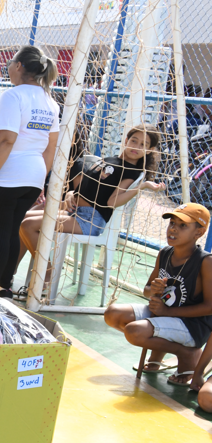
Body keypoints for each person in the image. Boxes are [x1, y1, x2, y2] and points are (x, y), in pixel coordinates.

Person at [19, 125, 165, 283]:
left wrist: (140, 187)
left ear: (149, 150)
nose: (136, 146)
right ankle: (8, 272)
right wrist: (69, 194)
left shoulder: (132, 172)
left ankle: (47, 275)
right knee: (21, 218)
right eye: (134, 140)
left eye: (143, 144)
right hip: (73, 209)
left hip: (89, 219)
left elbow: (112, 201)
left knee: (28, 225)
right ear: (126, 140)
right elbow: (83, 186)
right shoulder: (108, 160)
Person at [0, 45, 60, 301]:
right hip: (32, 175)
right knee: (10, 231)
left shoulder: (13, 96)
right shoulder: (50, 102)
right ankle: (4, 286)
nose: (9, 68)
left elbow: (6, 140)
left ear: (19, 66)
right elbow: (51, 147)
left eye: (10, 64)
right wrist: (40, 182)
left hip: (7, 174)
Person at [105, 204, 212, 388]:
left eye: (182, 225)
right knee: (112, 313)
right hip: (163, 314)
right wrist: (153, 290)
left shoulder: (205, 261)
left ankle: (186, 353)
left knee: (134, 331)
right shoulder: (165, 253)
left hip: (191, 326)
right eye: (172, 223)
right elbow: (147, 289)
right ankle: (165, 349)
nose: (173, 228)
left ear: (199, 233)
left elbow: (210, 307)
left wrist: (167, 312)